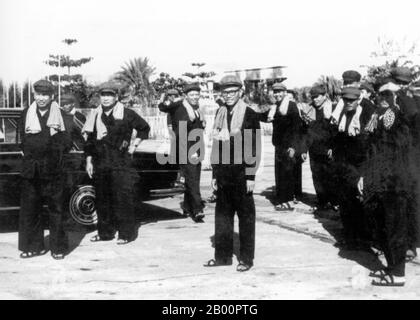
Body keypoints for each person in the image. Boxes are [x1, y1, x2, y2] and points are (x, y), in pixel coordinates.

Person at [204, 75, 261, 272]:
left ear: (240, 92)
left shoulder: (250, 114)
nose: (228, 96)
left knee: (246, 219)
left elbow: (254, 147)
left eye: (232, 92)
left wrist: (251, 176)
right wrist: (214, 175)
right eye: (224, 92)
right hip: (223, 174)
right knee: (222, 217)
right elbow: (216, 147)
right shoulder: (220, 114)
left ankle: (246, 259)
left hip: (242, 173)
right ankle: (222, 257)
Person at [83, 82, 150, 244]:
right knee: (102, 199)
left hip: (121, 162)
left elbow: (144, 128)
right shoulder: (95, 115)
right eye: (103, 95)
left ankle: (126, 234)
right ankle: (105, 232)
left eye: (110, 95)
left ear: (116, 97)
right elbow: (90, 141)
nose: (106, 99)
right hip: (101, 162)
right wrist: (89, 160)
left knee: (122, 199)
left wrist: (133, 146)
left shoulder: (126, 113)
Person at [362, 82, 415, 286]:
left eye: (388, 94)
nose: (382, 98)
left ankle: (398, 273)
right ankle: (392, 266)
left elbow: (395, 146)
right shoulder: (379, 116)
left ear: (396, 97)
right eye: (380, 94)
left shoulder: (398, 117)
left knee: (395, 228)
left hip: (395, 182)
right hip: (382, 180)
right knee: (385, 226)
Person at [18, 79, 72, 260]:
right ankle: (34, 247)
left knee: (56, 209)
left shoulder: (61, 115)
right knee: (30, 209)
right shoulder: (26, 113)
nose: (40, 98)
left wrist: (51, 155)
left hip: (53, 170)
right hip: (31, 170)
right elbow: (22, 140)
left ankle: (58, 248)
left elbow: (66, 142)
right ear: (34, 95)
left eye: (44, 95)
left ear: (51, 96)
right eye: (37, 94)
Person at [330, 86, 372, 250]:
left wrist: (364, 171)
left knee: (358, 204)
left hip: (358, 166)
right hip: (343, 165)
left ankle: (362, 238)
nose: (348, 103)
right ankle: (350, 236)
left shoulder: (365, 114)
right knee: (345, 202)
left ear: (358, 100)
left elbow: (369, 144)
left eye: (351, 100)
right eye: (345, 100)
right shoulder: (342, 114)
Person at [158, 83, 205, 222]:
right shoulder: (180, 106)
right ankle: (197, 210)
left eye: (197, 94)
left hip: (196, 149)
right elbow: (181, 132)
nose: (195, 97)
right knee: (192, 180)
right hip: (186, 150)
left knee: (193, 179)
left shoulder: (196, 109)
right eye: (192, 95)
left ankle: (186, 206)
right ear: (186, 96)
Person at [261, 83, 305, 210]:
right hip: (279, 146)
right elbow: (263, 116)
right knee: (279, 174)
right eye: (275, 92)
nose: (277, 94)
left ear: (285, 92)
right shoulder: (275, 107)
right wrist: (249, 114)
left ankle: (288, 201)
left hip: (288, 147)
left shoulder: (291, 106)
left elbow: (297, 127)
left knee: (287, 174)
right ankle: (282, 199)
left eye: (280, 92)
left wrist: (294, 146)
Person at [303, 85, 337, 210]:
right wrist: (304, 150)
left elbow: (336, 131)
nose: (315, 99)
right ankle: (322, 201)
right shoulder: (308, 111)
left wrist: (333, 147)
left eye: (317, 97)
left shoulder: (332, 109)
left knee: (331, 176)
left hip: (328, 149)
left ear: (324, 96)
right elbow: (305, 132)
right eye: (313, 97)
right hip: (314, 149)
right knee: (317, 176)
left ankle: (334, 202)